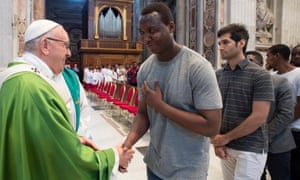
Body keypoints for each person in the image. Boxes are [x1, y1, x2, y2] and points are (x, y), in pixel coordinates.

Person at [0, 19, 134, 180]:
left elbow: (41, 141)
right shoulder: (34, 89)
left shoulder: (15, 78)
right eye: (65, 45)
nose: (69, 53)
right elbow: (66, 160)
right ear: (45, 45)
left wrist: (76, 139)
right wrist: (114, 157)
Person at [122, 2, 223, 179]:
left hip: (187, 170)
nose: (146, 39)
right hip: (155, 165)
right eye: (142, 33)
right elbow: (143, 114)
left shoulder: (198, 68)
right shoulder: (145, 69)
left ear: (170, 27)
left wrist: (161, 107)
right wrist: (128, 143)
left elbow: (211, 127)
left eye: (152, 31)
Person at [211, 24, 274, 180]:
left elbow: (259, 117)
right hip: (226, 145)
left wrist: (225, 138)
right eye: (219, 43)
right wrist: (218, 141)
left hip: (250, 147)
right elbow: (216, 111)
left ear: (241, 43)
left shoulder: (259, 75)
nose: (220, 47)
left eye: (225, 42)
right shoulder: (219, 75)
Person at [246, 50, 296, 180]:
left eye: (251, 61)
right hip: (250, 145)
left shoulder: (279, 82)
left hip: (277, 143)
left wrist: (264, 135)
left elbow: (286, 113)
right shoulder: (243, 85)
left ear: (261, 63)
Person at [265, 44, 300, 180]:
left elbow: (298, 106)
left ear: (277, 56)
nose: (266, 59)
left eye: (268, 56)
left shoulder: (298, 74)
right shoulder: (271, 76)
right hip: (277, 130)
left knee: (294, 170)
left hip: (295, 129)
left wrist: (282, 122)